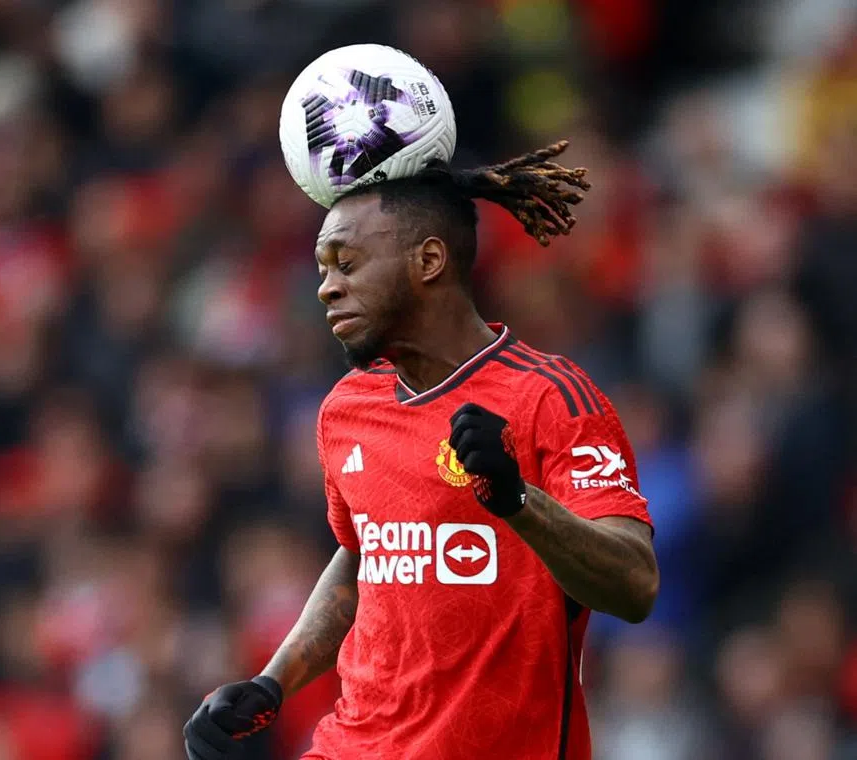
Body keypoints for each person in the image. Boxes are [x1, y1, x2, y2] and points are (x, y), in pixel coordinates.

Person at [183, 141, 659, 760]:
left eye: (347, 263)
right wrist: (272, 681)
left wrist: (517, 501)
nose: (327, 288)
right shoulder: (348, 407)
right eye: (323, 268)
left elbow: (634, 584)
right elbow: (365, 555)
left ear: (429, 260)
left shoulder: (551, 398)